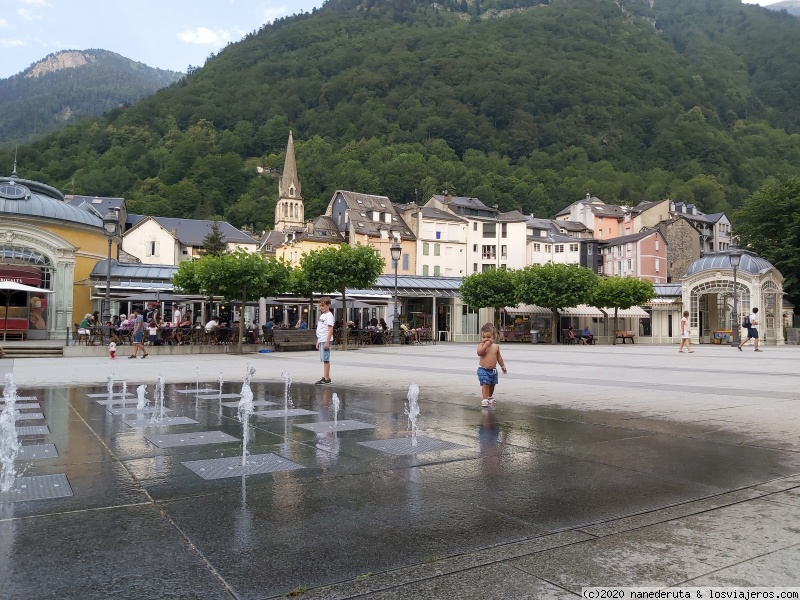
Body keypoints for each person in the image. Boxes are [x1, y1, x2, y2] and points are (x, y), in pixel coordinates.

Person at [476, 322, 507, 407]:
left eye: (488, 337)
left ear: (494, 337)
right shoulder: (481, 345)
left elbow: (499, 357)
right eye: (484, 337)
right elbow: (479, 353)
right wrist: (485, 346)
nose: (486, 339)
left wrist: (502, 366)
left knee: (492, 384)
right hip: (483, 369)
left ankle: (490, 397)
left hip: (493, 370)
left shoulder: (496, 346)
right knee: (485, 384)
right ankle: (485, 399)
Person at [315, 296, 334, 385]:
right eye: (320, 306)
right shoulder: (322, 315)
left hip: (326, 340)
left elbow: (330, 329)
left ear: (328, 305)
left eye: (323, 305)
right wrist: (318, 340)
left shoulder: (329, 316)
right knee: (323, 359)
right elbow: (321, 328)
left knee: (326, 359)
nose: (321, 307)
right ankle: (325, 376)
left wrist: (327, 341)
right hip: (322, 339)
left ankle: (326, 378)